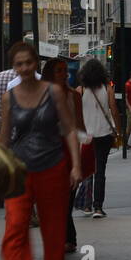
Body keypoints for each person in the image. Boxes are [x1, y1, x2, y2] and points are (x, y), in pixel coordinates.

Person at [0, 43, 82, 260]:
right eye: (19, 64)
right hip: (20, 171)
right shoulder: (9, 97)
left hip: (52, 168)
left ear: (36, 64)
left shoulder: (53, 93)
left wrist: (75, 166)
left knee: (53, 232)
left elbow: (68, 129)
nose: (24, 69)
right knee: (15, 226)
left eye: (28, 63)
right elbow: (4, 136)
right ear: (14, 67)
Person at [40, 57, 86, 247]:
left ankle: (67, 237)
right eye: (59, 70)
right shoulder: (41, 95)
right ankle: (65, 236)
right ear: (50, 73)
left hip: (68, 148)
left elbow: (80, 124)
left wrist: (83, 149)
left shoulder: (74, 95)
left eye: (65, 70)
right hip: (47, 148)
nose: (64, 73)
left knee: (67, 195)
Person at [76, 59, 117, 218]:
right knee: (100, 170)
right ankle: (98, 207)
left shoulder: (79, 90)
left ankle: (86, 205)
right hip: (104, 133)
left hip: (86, 136)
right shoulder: (108, 88)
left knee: (87, 169)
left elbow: (75, 114)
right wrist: (118, 130)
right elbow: (113, 109)